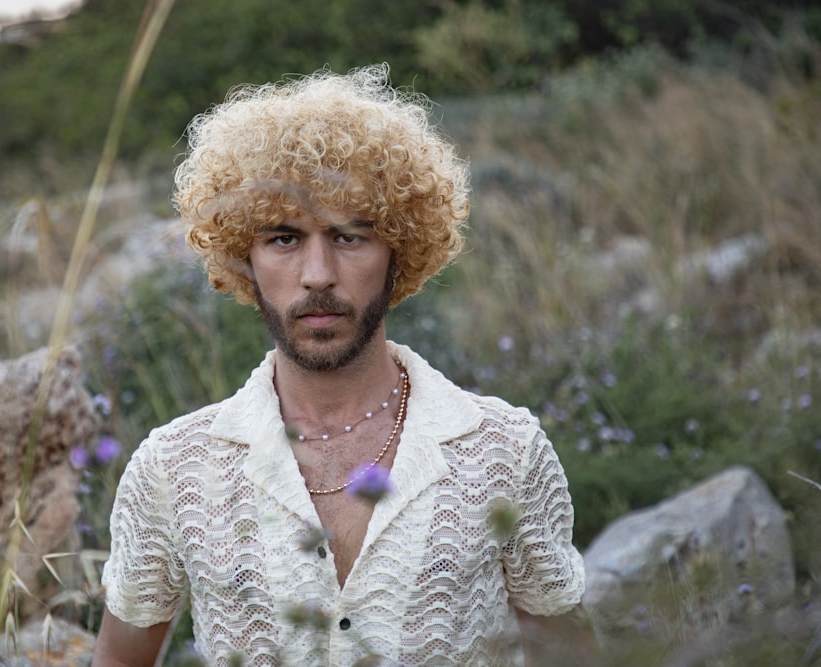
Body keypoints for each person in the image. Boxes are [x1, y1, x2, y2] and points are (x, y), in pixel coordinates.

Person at [93, 64, 589, 667]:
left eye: (350, 236)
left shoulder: (504, 451)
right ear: (242, 257)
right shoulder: (175, 469)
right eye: (283, 238)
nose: (318, 274)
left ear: (399, 250)